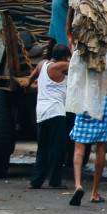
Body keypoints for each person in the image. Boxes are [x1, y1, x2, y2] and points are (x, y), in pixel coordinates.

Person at [68, 54, 107, 206]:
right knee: (101, 147)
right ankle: (94, 192)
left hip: (83, 103)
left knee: (79, 146)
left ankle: (78, 184)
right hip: (101, 104)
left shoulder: (80, 58)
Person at [19, 43, 71, 190]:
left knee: (43, 148)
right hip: (55, 112)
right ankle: (54, 180)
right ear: (63, 57)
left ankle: (36, 181)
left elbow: (33, 74)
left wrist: (28, 82)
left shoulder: (42, 64)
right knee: (57, 148)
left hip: (41, 113)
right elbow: (77, 64)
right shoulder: (58, 66)